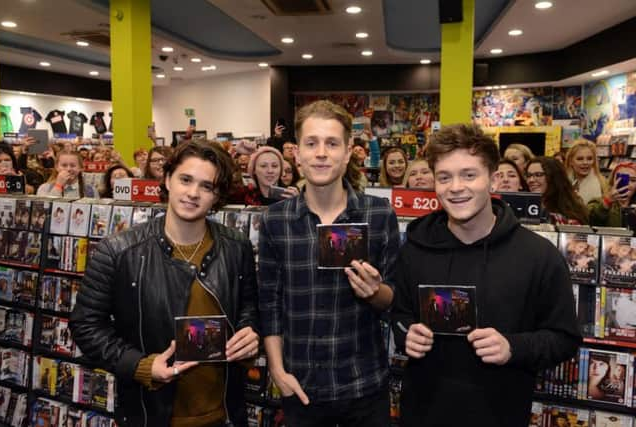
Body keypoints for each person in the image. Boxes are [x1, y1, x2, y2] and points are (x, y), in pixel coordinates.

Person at [391, 124, 580, 427]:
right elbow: (399, 314)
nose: (455, 187)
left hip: (500, 414)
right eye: (444, 177)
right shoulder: (414, 249)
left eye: (469, 174)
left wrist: (513, 347)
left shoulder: (538, 256)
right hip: (423, 413)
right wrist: (406, 334)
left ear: (492, 179)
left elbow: (564, 339)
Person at [69, 140, 260, 426]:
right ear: (168, 179)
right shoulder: (119, 251)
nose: (193, 193)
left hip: (224, 414)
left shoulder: (237, 247)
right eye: (186, 179)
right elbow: (85, 325)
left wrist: (250, 331)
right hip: (150, 413)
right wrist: (141, 366)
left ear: (217, 196)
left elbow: (249, 306)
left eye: (207, 186)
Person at [258, 100, 400, 427]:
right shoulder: (275, 220)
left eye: (332, 143)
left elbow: (395, 297)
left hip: (365, 385)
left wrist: (374, 292)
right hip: (301, 387)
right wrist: (278, 372)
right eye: (312, 143)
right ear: (297, 153)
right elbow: (270, 302)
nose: (321, 153)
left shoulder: (379, 214)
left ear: (348, 151)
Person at [526, 156, 588, 225]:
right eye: (529, 175)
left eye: (538, 175)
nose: (531, 180)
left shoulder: (571, 214)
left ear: (554, 177)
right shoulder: (525, 207)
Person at [588, 162, 636, 227]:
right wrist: (607, 202)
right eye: (621, 180)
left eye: (633, 180)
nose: (628, 184)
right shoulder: (597, 202)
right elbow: (591, 222)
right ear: (613, 180)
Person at [566, 139, 606, 204]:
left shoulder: (603, 184)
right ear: (571, 161)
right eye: (580, 159)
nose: (585, 162)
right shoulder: (563, 183)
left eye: (589, 159)